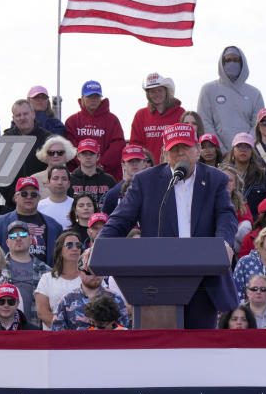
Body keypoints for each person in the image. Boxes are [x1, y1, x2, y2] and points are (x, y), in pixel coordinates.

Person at [101, 123, 238, 329]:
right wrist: (99, 246)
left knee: (199, 347)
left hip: (202, 277)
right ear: (164, 154)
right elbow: (120, 220)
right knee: (158, 348)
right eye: (174, 149)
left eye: (186, 147)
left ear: (198, 151)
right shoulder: (145, 181)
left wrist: (224, 243)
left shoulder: (215, 179)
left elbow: (226, 215)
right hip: (158, 279)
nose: (180, 153)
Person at [197, 46, 265, 149]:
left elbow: (258, 125)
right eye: (228, 60)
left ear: (242, 63)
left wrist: (243, 146)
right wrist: (221, 150)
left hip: (247, 153)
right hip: (216, 155)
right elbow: (205, 122)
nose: (232, 63)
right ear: (222, 63)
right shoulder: (208, 90)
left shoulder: (255, 93)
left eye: (236, 60)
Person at [0, 177, 62, 265]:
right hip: (10, 276)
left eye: (33, 194)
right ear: (15, 197)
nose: (29, 197)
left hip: (44, 276)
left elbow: (60, 259)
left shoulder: (54, 226)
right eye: (24, 194)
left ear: (39, 198)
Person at [64, 80, 126, 180]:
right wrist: (85, 165)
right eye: (89, 96)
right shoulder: (72, 121)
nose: (93, 99)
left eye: (96, 96)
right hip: (78, 177)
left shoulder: (112, 120)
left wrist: (100, 165)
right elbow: (70, 146)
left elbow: (117, 146)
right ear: (82, 98)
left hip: (107, 176)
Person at [0, 99, 53, 206]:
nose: (22, 118)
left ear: (33, 114)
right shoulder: (5, 140)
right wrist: (11, 197)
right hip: (12, 203)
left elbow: (54, 171)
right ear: (13, 118)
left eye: (25, 114)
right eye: (18, 115)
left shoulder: (48, 139)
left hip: (41, 201)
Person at [51, 261, 129, 331]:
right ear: (79, 272)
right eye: (89, 272)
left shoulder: (116, 298)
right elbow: (57, 334)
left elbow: (124, 330)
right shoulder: (67, 300)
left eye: (98, 271)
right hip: (77, 345)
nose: (95, 275)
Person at [226, 132, 266, 219]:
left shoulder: (263, 175)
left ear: (252, 151)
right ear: (233, 150)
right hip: (228, 220)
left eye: (247, 146)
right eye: (239, 146)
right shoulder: (223, 174)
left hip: (255, 223)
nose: (243, 150)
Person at [3, 221, 51, 328]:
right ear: (7, 242)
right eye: (13, 235)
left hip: (36, 331)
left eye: (23, 235)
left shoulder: (46, 271)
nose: (18, 238)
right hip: (6, 332)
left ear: (31, 240)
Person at [130, 72, 185, 164]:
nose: (156, 94)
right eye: (152, 91)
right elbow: (135, 145)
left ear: (166, 92)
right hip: (149, 168)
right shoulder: (140, 115)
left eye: (159, 90)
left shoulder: (180, 113)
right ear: (148, 94)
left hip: (174, 165)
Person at [35, 231, 84, 330]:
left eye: (78, 245)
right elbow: (42, 312)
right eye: (69, 245)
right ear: (60, 250)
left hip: (86, 337)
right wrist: (63, 330)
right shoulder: (46, 279)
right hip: (55, 338)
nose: (74, 248)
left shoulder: (90, 276)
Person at [102, 145, 152, 215]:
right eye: (130, 161)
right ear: (123, 165)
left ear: (144, 163)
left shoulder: (154, 190)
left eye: (138, 160)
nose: (134, 164)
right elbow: (105, 222)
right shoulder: (113, 194)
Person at [70, 139, 117, 207]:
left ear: (98, 156)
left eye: (91, 153)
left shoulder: (109, 180)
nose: (88, 157)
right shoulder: (70, 180)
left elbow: (115, 204)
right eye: (84, 153)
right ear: (78, 156)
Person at [28, 135, 76, 200]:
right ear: (45, 155)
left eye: (60, 152)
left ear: (67, 154)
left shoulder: (75, 179)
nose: (55, 155)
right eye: (51, 153)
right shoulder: (34, 180)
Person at [37, 165, 73, 229]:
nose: (60, 182)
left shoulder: (76, 205)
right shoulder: (38, 206)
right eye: (55, 178)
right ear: (48, 183)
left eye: (64, 179)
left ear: (69, 184)